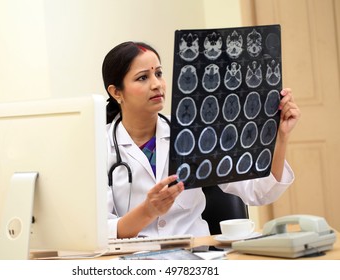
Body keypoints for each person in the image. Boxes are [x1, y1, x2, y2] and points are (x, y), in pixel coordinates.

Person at [102, 41, 301, 239]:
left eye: (159, 74)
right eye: (143, 77)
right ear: (116, 92)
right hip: (135, 263)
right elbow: (101, 230)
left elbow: (258, 191)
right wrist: (148, 210)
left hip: (196, 256)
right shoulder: (98, 147)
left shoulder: (193, 133)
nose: (157, 84)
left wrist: (281, 137)